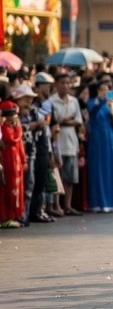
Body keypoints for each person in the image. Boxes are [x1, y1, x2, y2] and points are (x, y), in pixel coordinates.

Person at [85, 81, 113, 213]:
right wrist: (101, 100)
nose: (105, 92)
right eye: (102, 90)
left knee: (110, 171)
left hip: (109, 141)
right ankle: (97, 202)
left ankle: (112, 203)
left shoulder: (112, 104)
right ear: (97, 90)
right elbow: (92, 111)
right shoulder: (92, 102)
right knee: (97, 172)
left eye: (107, 90)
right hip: (96, 142)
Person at [17, 83, 52, 224]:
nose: (29, 102)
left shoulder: (34, 111)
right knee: (20, 186)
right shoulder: (12, 112)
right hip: (17, 154)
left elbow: (41, 126)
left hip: (32, 152)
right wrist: (32, 126)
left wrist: (39, 125)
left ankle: (31, 213)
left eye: (30, 98)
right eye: (25, 98)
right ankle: (20, 214)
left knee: (32, 184)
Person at [49, 73, 84, 217]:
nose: (65, 86)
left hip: (71, 141)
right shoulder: (51, 101)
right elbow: (53, 122)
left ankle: (68, 206)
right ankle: (57, 206)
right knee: (58, 176)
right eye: (62, 83)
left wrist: (64, 121)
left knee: (70, 177)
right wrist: (66, 120)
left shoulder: (74, 101)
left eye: (68, 83)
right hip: (58, 142)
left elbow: (78, 121)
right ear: (56, 84)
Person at [1, 100, 26, 228]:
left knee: (18, 188)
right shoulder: (5, 127)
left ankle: (16, 214)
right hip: (7, 159)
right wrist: (19, 130)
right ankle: (8, 216)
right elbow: (11, 139)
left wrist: (23, 160)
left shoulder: (13, 126)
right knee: (9, 188)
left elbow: (20, 144)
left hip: (16, 160)